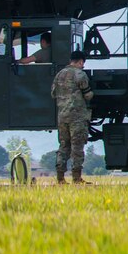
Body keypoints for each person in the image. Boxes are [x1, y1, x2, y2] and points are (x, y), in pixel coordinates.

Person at [51, 50, 94, 184]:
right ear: (81, 61)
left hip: (62, 116)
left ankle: (60, 178)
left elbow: (53, 94)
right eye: (83, 63)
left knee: (64, 146)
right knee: (77, 147)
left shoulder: (59, 75)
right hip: (77, 117)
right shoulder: (80, 75)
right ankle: (76, 178)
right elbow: (87, 95)